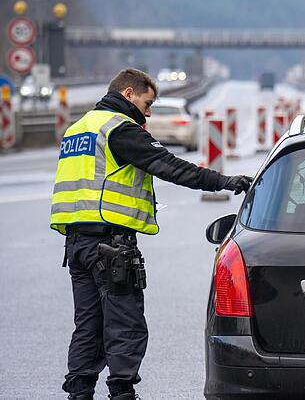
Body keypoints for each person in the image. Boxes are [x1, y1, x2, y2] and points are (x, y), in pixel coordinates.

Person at [50, 68, 253, 400]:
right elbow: (171, 166)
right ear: (128, 94)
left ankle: (79, 392)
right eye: (147, 102)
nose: (149, 111)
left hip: (75, 245)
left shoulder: (78, 128)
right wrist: (226, 182)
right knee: (125, 323)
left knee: (88, 325)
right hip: (111, 245)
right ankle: (122, 393)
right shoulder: (120, 129)